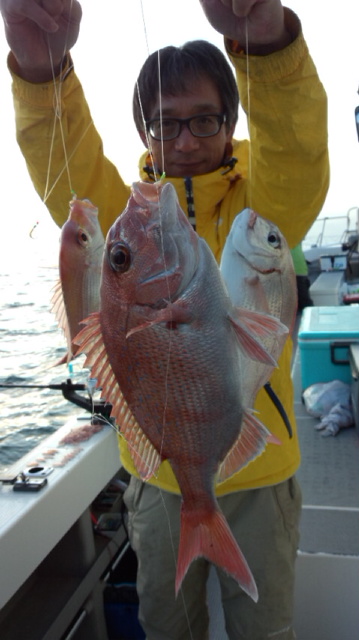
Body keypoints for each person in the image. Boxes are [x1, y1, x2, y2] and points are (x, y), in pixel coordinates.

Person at [0, 1, 329, 638]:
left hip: (262, 476)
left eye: (204, 120)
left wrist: (267, 46)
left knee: (266, 630)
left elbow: (295, 146)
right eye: (165, 124)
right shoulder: (132, 224)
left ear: (230, 122)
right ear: (146, 133)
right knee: (165, 623)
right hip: (158, 475)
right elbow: (63, 171)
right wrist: (44, 76)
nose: (184, 141)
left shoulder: (262, 206)